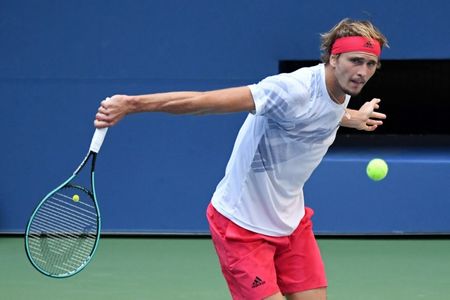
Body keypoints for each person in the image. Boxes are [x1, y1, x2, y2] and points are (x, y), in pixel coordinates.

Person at [94, 18, 388, 300]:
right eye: (355, 60)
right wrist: (132, 104)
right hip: (241, 226)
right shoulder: (290, 90)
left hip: (291, 221)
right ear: (333, 59)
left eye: (370, 63)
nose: (362, 71)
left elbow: (324, 111)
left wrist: (353, 118)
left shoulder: (342, 88)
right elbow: (201, 103)